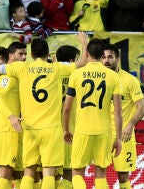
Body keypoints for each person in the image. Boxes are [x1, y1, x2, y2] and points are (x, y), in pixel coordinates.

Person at [0, 32, 88, 189]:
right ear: (48, 54)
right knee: (49, 172)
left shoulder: (21, 67)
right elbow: (82, 62)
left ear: (31, 54)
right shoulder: (55, 68)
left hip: (29, 128)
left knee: (29, 171)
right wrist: (84, 42)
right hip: (51, 129)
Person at [63, 39, 123, 189]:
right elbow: (117, 110)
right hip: (104, 131)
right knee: (101, 173)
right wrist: (119, 138)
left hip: (83, 130)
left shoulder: (76, 74)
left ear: (87, 53)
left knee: (77, 172)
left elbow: (67, 108)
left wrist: (65, 129)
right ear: (102, 55)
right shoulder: (113, 76)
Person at [102, 44, 144, 188]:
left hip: (124, 135)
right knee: (100, 173)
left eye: (110, 57)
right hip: (102, 133)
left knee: (123, 176)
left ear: (117, 59)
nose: (106, 60)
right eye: (103, 57)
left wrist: (130, 124)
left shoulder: (129, 80)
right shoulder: (98, 79)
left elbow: (141, 107)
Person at [0, 43, 27, 189]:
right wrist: (11, 117)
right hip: (6, 129)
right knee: (5, 171)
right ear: (11, 56)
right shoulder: (8, 77)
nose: (24, 57)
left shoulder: (1, 76)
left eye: (25, 54)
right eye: (21, 54)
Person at [55, 45, 80, 189]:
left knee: (49, 173)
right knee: (69, 173)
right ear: (72, 61)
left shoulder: (51, 73)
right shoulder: (76, 75)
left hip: (51, 130)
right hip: (70, 130)